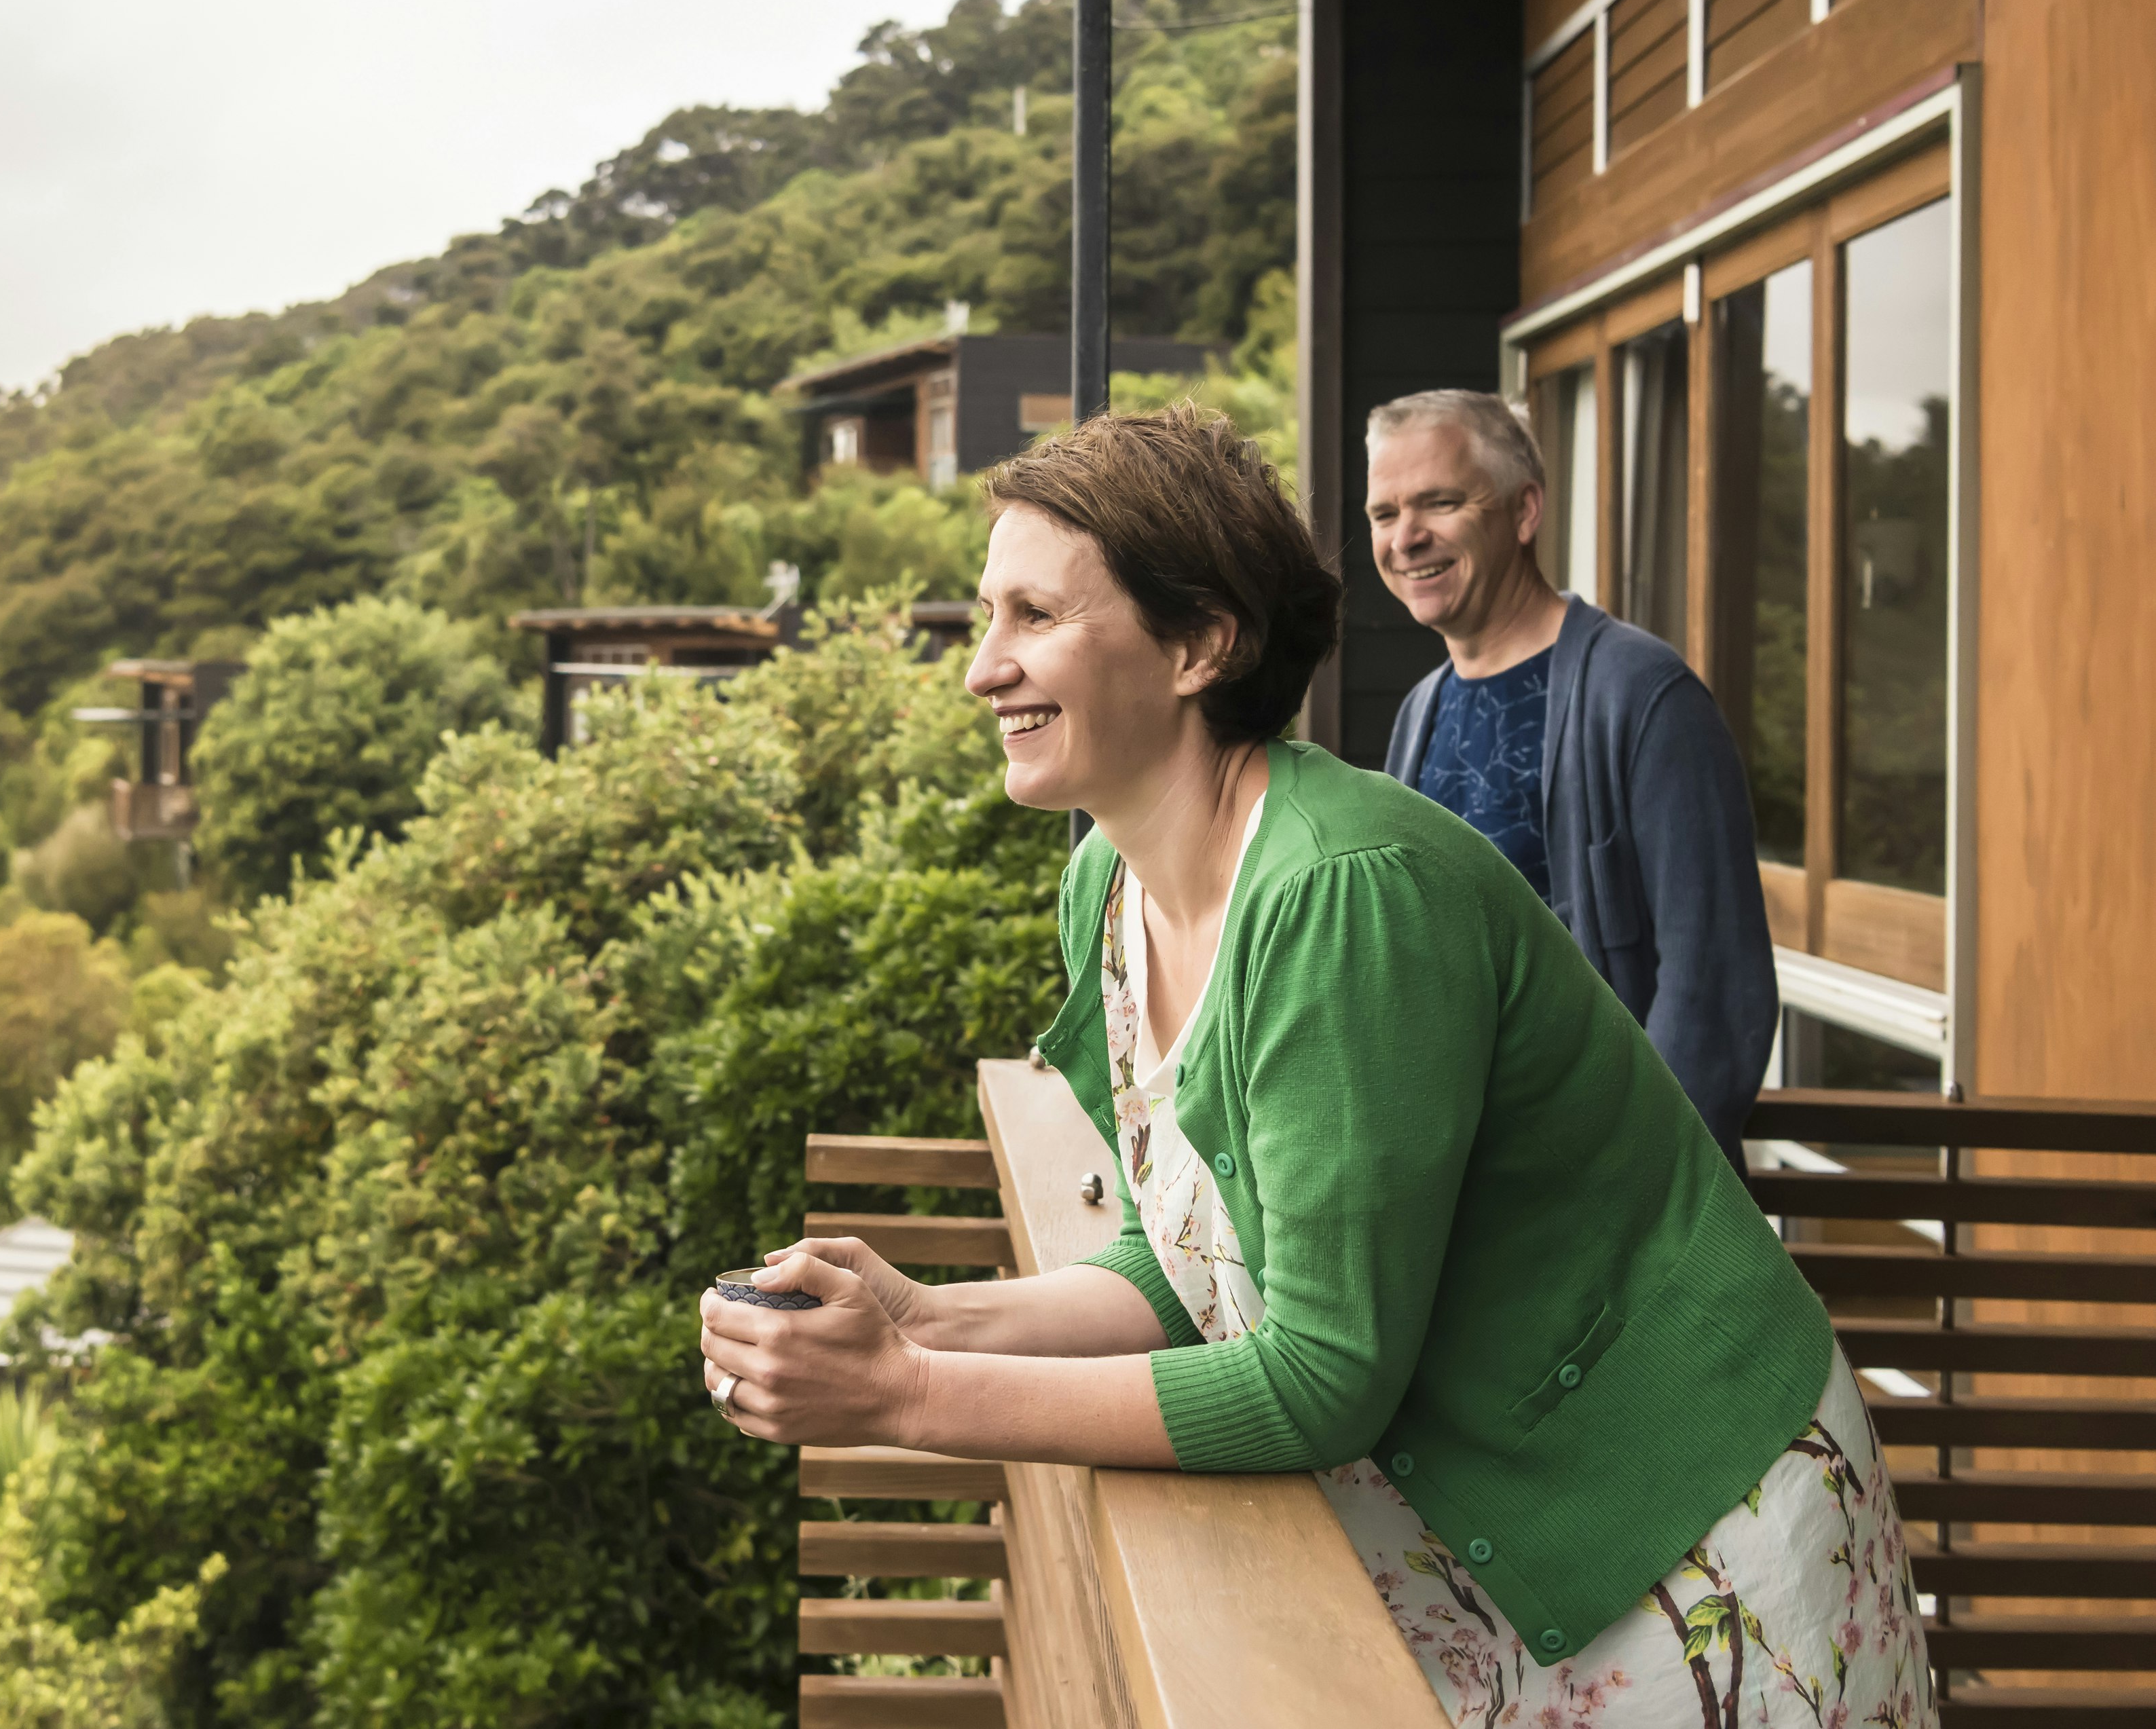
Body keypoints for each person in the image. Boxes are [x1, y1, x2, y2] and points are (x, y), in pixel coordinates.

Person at [699, 408, 1928, 1728]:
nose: (981, 670)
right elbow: (1199, 1261)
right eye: (982, 618)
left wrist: (914, 1395)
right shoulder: (1108, 885)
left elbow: (1321, 1378)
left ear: (1202, 643)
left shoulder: (1342, 895)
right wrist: (929, 1315)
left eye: (1034, 616)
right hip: (1492, 1537)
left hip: (1687, 1539)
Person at [1365, 390, 1774, 1162]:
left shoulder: (1644, 695)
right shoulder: (1421, 714)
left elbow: (1714, 989)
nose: (1406, 538)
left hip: (1608, 1199)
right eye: (1384, 515)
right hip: (1471, 1190)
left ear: (1524, 513)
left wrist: (1633, 1186)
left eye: (1439, 503)